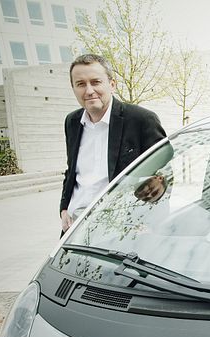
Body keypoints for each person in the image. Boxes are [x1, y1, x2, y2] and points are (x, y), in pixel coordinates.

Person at [60, 54, 166, 234]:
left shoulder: (142, 120)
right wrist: (63, 208)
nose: (89, 90)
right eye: (80, 84)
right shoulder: (71, 122)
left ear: (112, 84)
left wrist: (151, 224)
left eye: (95, 82)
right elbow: (72, 171)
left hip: (124, 230)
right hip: (75, 227)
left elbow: (165, 175)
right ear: (73, 88)